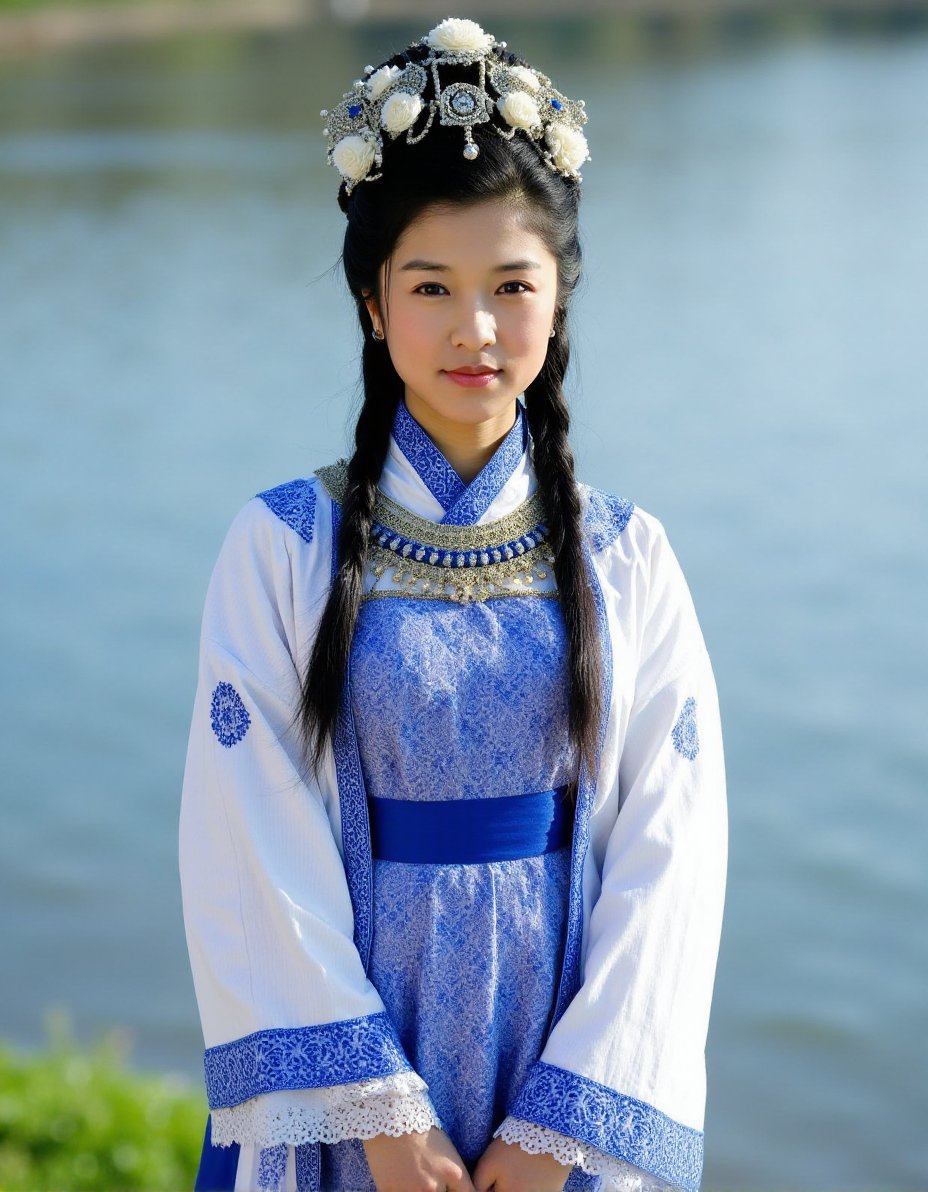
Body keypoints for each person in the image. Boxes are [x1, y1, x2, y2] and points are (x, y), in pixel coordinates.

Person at [179, 17, 727, 1192]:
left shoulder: (628, 560)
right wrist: (380, 1115)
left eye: (509, 287)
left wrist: (557, 1132)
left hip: (562, 1061)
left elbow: (671, 853)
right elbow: (250, 836)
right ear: (374, 305)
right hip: (353, 1080)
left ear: (557, 299)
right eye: (431, 286)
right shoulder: (284, 546)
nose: (473, 328)